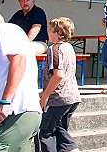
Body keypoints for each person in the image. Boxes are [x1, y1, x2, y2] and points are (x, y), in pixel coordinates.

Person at [0, 9, 42, 151]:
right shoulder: (9, 33)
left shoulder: (4, 29)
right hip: (23, 113)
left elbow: (18, 60)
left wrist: (5, 102)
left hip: (15, 112)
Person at [39, 17, 82, 152]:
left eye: (51, 30)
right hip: (73, 97)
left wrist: (45, 96)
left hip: (58, 98)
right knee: (60, 129)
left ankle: (71, 148)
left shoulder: (54, 49)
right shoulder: (69, 47)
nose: (48, 33)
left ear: (59, 33)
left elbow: (58, 75)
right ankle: (70, 149)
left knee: (45, 132)